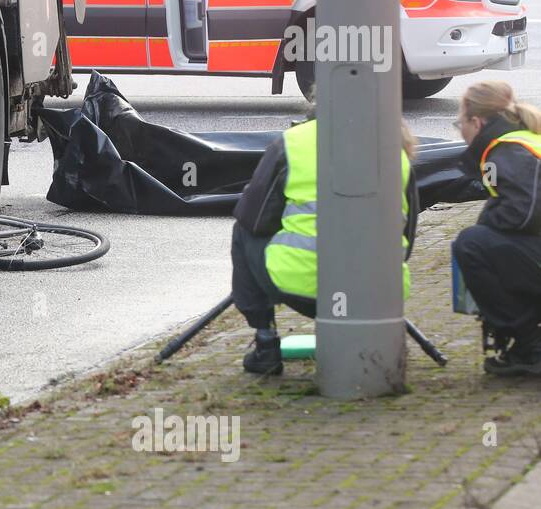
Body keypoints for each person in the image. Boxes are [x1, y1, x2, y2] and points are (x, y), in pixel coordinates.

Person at [231, 111, 418, 374]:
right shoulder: (394, 149)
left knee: (243, 231)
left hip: (304, 289)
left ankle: (266, 342)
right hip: (377, 295)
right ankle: (372, 340)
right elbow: (407, 238)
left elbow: (255, 217)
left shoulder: (293, 142)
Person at [451, 81, 541, 375]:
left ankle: (530, 344)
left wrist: (487, 225)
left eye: (459, 123)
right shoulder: (526, 139)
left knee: (472, 244)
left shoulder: (505, 150)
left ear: (476, 122)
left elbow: (523, 214)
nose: (460, 131)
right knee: (488, 241)